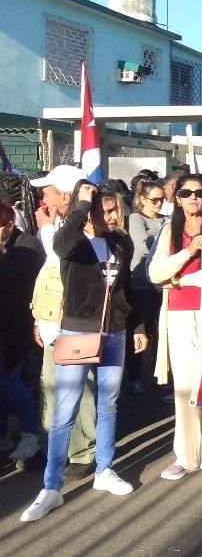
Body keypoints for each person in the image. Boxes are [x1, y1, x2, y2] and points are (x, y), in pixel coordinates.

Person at [20, 180, 145, 522]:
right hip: (77, 329)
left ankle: (105, 469)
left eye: (115, 209)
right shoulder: (74, 241)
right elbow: (60, 247)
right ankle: (51, 487)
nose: (113, 216)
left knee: (108, 404)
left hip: (114, 333)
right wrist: (80, 206)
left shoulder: (119, 241)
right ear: (89, 212)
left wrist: (137, 327)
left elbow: (126, 289)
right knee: (65, 410)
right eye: (104, 210)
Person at [149, 174, 202, 482]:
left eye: (199, 193)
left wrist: (178, 279)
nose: (193, 198)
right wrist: (189, 253)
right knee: (184, 386)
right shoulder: (168, 230)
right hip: (178, 314)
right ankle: (186, 454)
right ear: (178, 198)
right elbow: (156, 273)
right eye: (186, 193)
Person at [30, 164, 98, 480]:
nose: (43, 197)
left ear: (66, 196)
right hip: (50, 320)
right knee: (50, 386)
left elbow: (63, 255)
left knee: (79, 386)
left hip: (75, 319)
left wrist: (46, 231)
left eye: (49, 191)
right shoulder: (59, 223)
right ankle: (53, 448)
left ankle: (84, 450)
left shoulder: (84, 228)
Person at [0, 200, 46, 461]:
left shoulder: (27, 244)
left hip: (19, 326)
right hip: (4, 326)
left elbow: (13, 278)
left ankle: (31, 434)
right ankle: (4, 433)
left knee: (10, 380)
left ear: (8, 225)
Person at [124, 180, 166, 394]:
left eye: (162, 199)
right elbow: (142, 245)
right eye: (155, 199)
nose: (159, 204)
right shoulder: (135, 218)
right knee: (140, 330)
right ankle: (133, 375)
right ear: (142, 199)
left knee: (161, 332)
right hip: (140, 282)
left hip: (163, 284)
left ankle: (160, 376)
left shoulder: (167, 220)